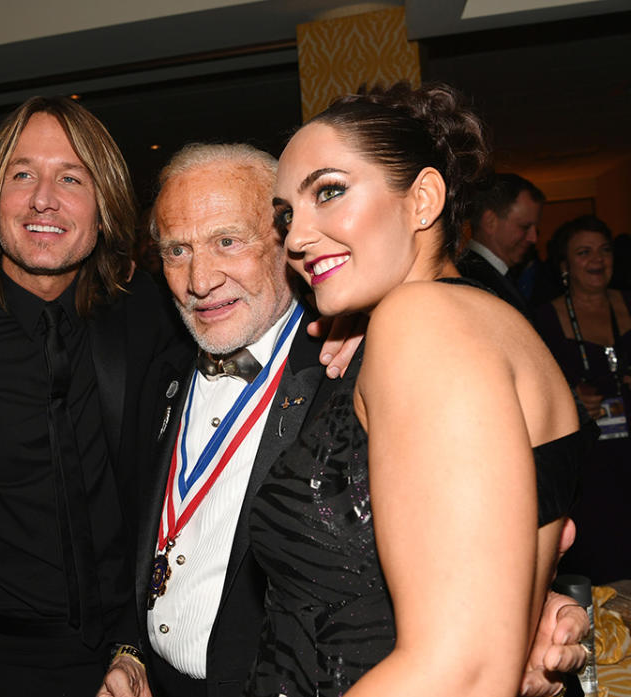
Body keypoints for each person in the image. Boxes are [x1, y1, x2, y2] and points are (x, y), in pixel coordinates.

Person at [100, 143, 592, 697]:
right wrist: (131, 650)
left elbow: (464, 536)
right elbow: (133, 542)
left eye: (227, 241)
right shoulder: (158, 374)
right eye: (175, 250)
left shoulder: (361, 365)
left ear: (286, 241)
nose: (199, 278)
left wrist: (518, 608)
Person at [248, 82, 586, 697]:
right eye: (286, 215)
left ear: (423, 198)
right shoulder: (460, 324)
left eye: (329, 192)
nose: (296, 238)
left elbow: (461, 673)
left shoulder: (424, 323)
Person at [0, 96, 183, 697]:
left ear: (104, 208)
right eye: (22, 175)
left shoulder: (152, 315)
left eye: (71, 177)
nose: (44, 198)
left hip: (129, 663)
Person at [535, 214, 630, 583]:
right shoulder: (543, 319)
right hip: (591, 467)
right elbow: (536, 393)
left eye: (605, 250)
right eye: (584, 252)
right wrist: (571, 400)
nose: (598, 260)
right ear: (564, 265)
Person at [457, 172, 545, 319]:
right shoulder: (473, 281)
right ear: (490, 222)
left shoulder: (494, 273)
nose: (533, 238)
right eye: (525, 227)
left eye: (535, 229)